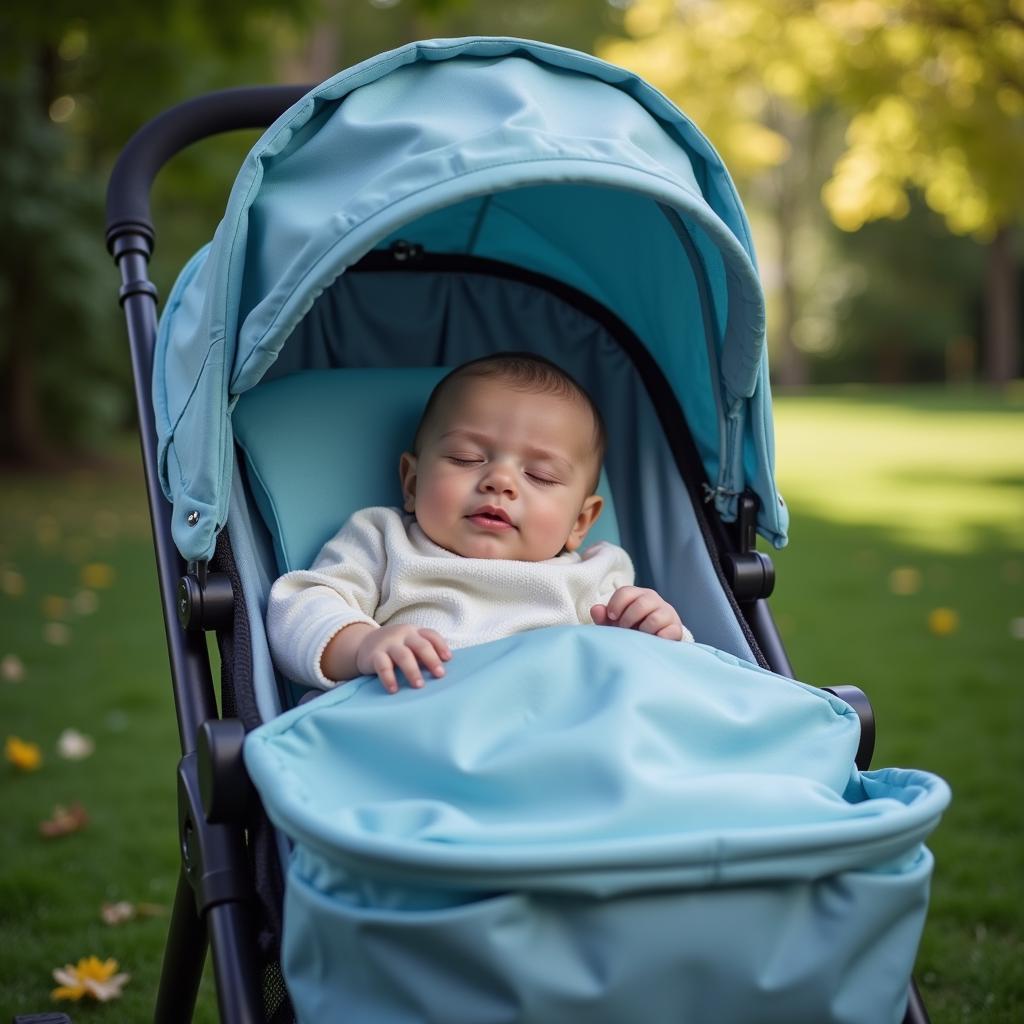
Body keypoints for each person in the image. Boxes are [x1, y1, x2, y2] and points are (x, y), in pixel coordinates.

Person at [266, 353, 692, 693]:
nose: (500, 482)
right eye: (466, 459)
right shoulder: (383, 539)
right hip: (414, 724)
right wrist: (362, 645)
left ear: (580, 522)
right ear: (412, 483)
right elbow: (299, 607)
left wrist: (658, 634)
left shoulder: (598, 575)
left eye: (540, 476)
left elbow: (660, 683)